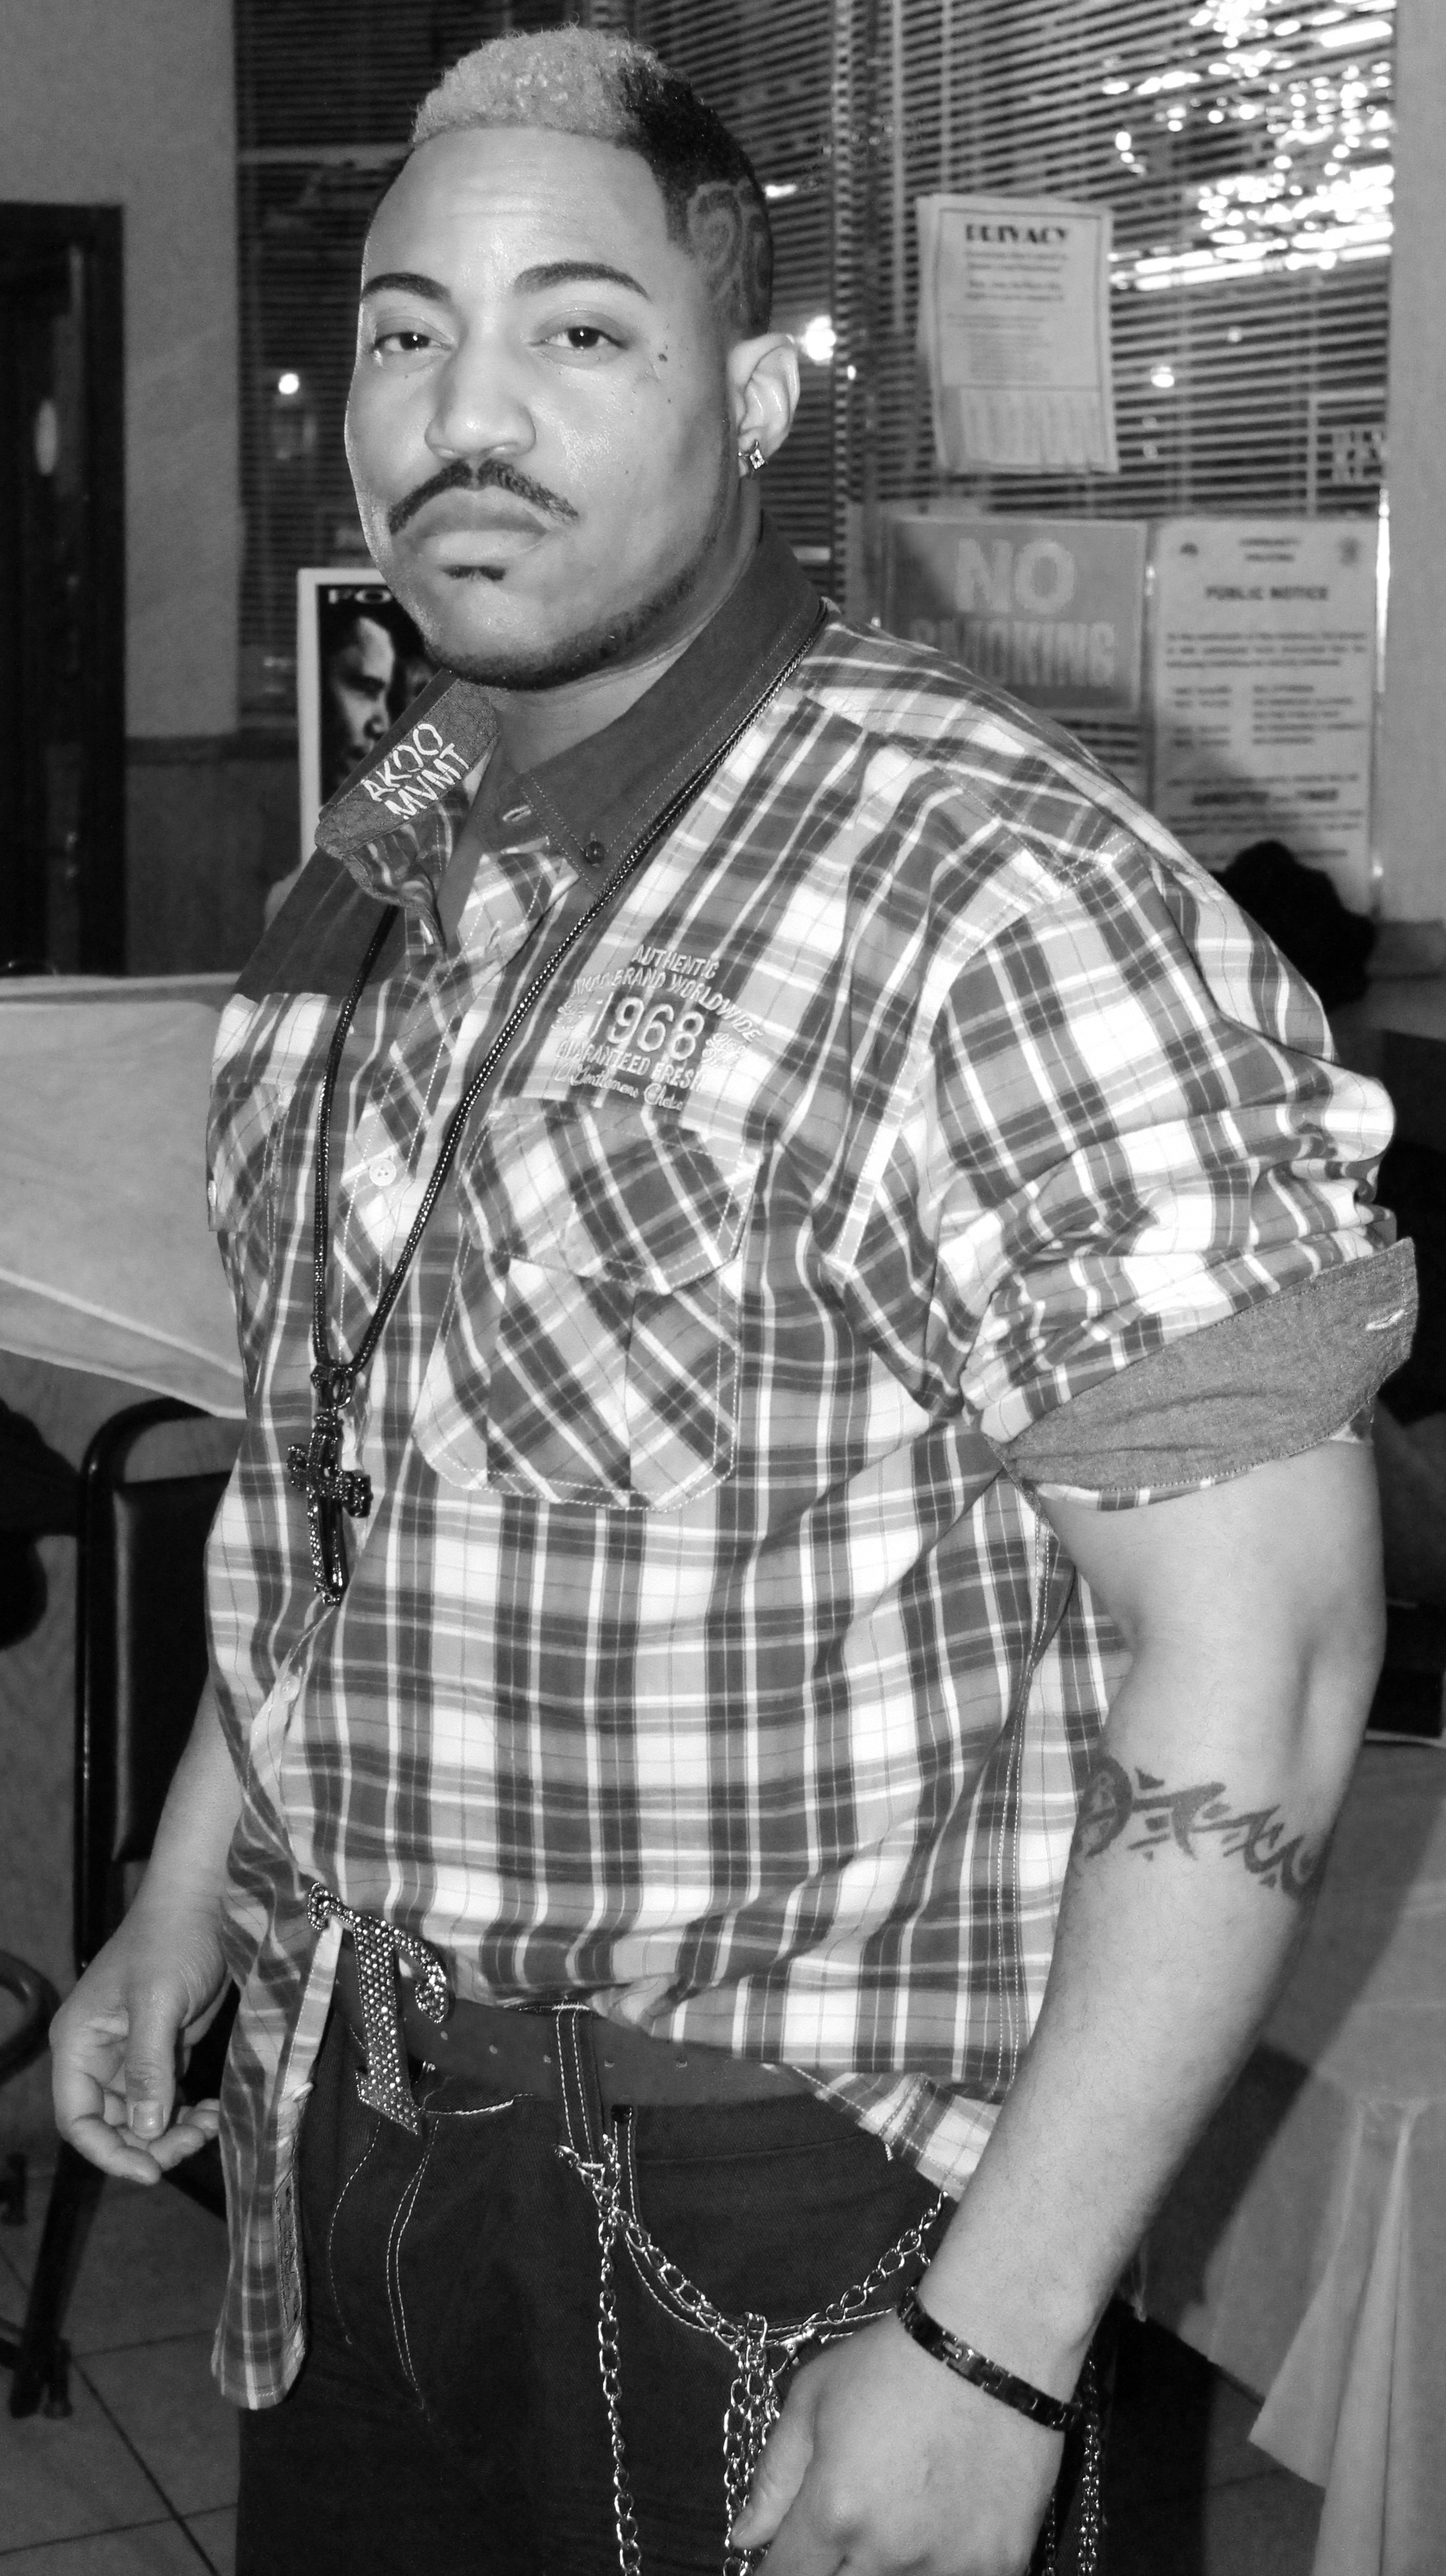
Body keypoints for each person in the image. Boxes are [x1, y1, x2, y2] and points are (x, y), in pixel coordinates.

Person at [50, 28, 1412, 2576]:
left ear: (758, 390)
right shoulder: (388, 856)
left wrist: (994, 2338)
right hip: (362, 2120)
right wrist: (186, 1877)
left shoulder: (988, 889)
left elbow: (1274, 1647)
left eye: (580, 330)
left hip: (785, 2212)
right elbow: (357, 1441)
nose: (469, 413)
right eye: (407, 333)